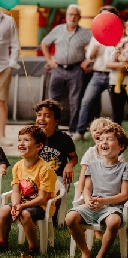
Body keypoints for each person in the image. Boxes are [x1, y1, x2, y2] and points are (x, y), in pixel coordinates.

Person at [65, 123, 128, 258]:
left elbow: (124, 194)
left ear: (121, 146)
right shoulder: (92, 165)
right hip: (93, 205)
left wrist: (104, 201)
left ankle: (101, 255)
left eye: (109, 139)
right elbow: (87, 188)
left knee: (113, 222)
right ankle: (85, 252)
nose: (103, 142)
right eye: (101, 140)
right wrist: (88, 199)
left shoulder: (125, 168)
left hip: (112, 208)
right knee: (70, 218)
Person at [0, 125, 57, 256]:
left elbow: (42, 198)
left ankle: (34, 248)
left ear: (39, 146)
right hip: (23, 203)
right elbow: (15, 191)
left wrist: (21, 206)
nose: (21, 143)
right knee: (3, 209)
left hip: (41, 206)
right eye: (19, 140)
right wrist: (15, 205)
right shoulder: (17, 167)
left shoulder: (45, 169)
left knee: (25, 214)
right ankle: (2, 243)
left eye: (26, 140)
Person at [41, 4, 92, 135]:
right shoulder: (58, 29)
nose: (73, 17)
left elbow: (97, 45)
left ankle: (73, 130)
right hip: (57, 69)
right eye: (71, 14)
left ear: (79, 17)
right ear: (66, 15)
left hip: (76, 69)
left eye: (76, 15)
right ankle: (52, 130)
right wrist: (49, 60)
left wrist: (89, 60)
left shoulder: (86, 33)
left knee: (75, 101)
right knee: (53, 101)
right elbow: (44, 43)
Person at [72, 5, 119, 141]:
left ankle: (114, 134)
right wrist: (93, 53)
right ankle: (79, 132)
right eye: (102, 16)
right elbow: (89, 57)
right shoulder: (96, 35)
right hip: (98, 75)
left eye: (107, 16)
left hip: (113, 75)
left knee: (114, 107)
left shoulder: (118, 35)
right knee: (86, 101)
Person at [76, 117, 125, 240]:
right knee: (83, 201)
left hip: (109, 189)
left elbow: (118, 177)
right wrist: (80, 196)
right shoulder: (90, 153)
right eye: (94, 130)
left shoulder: (117, 153)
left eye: (101, 130)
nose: (97, 132)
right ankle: (93, 231)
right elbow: (83, 176)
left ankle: (107, 226)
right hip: (91, 188)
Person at [33, 99, 78, 224]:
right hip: (35, 175)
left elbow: (74, 157)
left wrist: (69, 165)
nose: (42, 118)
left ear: (56, 121)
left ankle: (50, 216)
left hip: (56, 175)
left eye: (47, 116)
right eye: (39, 115)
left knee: (56, 185)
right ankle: (33, 211)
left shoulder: (64, 139)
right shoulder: (32, 137)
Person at [0, 10, 20, 146]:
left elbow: (15, 44)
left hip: (3, 67)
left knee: (1, 101)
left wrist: (11, 64)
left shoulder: (8, 21)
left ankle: (1, 136)